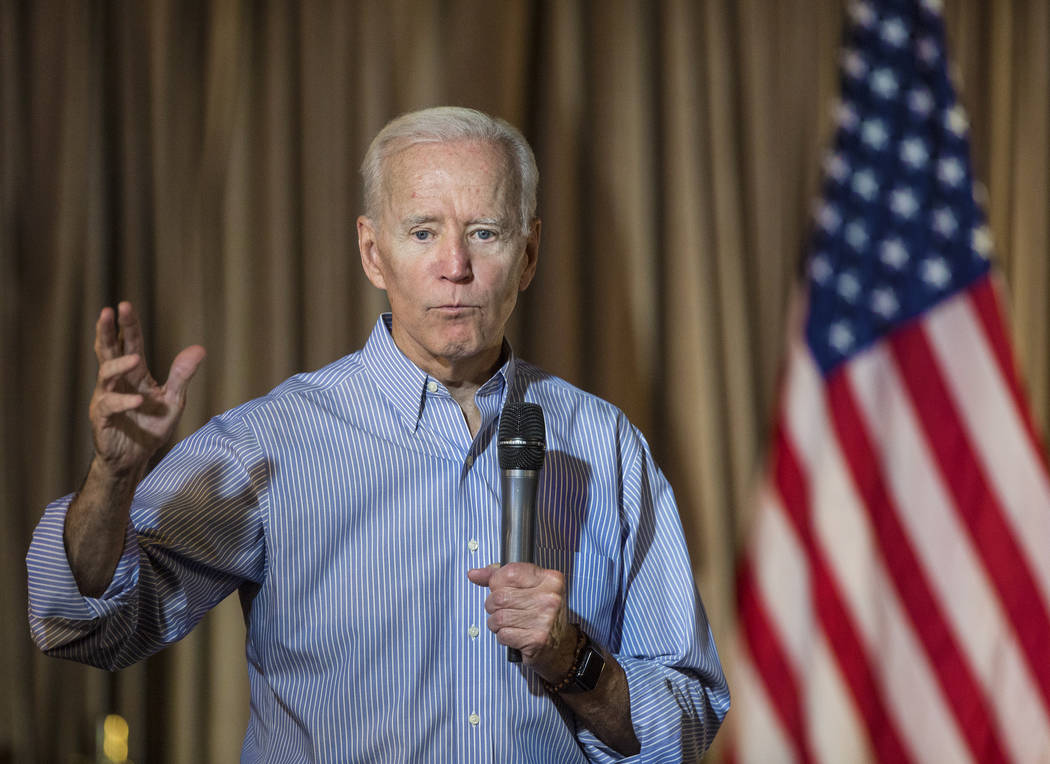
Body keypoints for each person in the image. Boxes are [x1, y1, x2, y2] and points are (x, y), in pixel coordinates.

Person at [27, 106, 729, 761]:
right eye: (423, 232)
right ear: (372, 252)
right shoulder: (272, 442)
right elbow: (84, 622)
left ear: (530, 253)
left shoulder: (605, 445)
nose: (455, 265)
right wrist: (113, 478)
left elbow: (688, 721)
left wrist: (576, 661)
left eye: (484, 232)